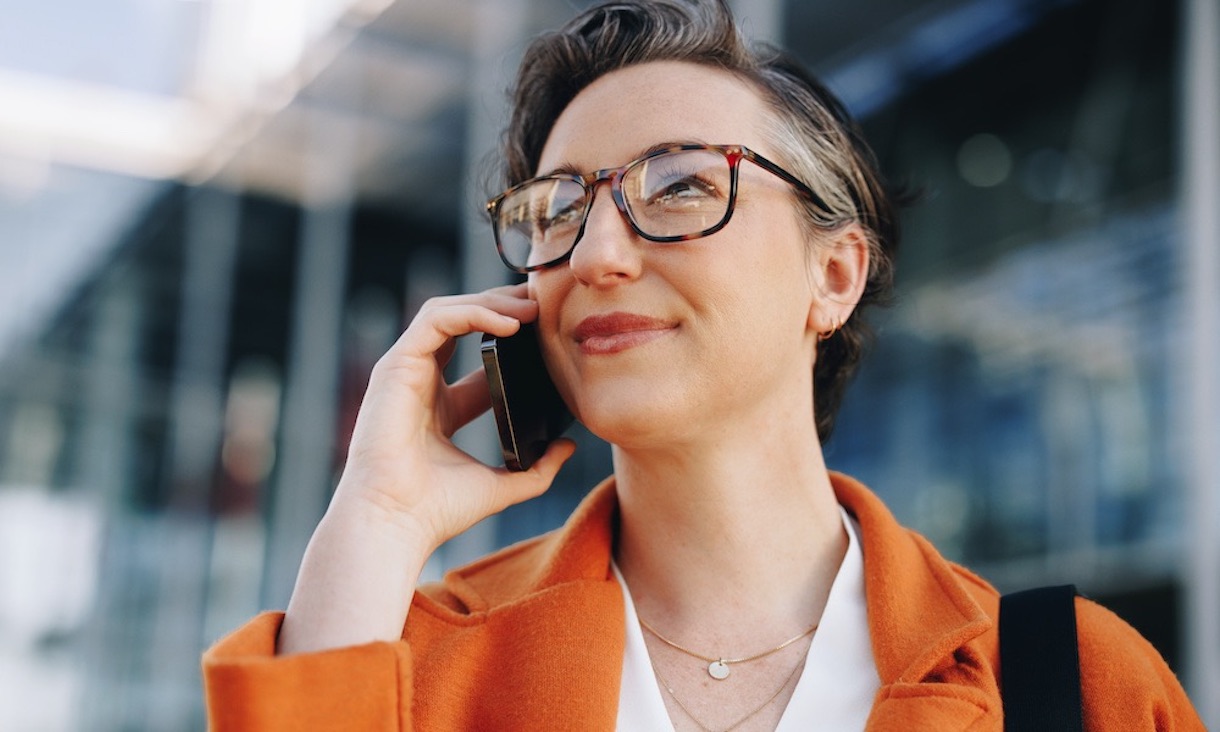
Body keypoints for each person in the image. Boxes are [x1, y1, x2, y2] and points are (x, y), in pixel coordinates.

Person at [202, 1, 1204, 729]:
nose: (594, 256)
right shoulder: (407, 664)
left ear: (835, 274)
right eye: (555, 210)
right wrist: (374, 521)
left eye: (679, 186)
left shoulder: (1068, 684)